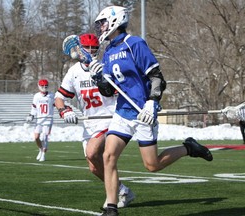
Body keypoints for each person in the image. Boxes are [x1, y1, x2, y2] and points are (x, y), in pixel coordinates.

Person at [89, 6, 213, 216]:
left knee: (152, 165)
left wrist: (151, 102)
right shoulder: (108, 52)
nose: (100, 27)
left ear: (115, 20)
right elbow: (109, 91)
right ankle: (111, 207)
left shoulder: (134, 44)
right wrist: (99, 78)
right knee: (108, 156)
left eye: (102, 22)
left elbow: (156, 77)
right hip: (122, 113)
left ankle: (188, 148)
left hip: (142, 110)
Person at [55, 33, 135, 208]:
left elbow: (121, 90)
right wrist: (64, 111)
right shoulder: (74, 72)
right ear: (80, 49)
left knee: (93, 152)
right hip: (89, 123)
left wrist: (103, 76)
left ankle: (111, 199)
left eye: (94, 48)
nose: (91, 51)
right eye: (87, 47)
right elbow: (59, 97)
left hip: (109, 118)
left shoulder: (105, 65)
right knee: (93, 167)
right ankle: (122, 191)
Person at [26, 79, 54, 162]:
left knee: (45, 137)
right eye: (42, 86)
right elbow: (34, 107)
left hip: (48, 119)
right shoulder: (36, 96)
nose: (44, 88)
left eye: (46, 86)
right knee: (36, 137)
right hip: (39, 119)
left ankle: (44, 154)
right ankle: (41, 149)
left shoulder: (52, 95)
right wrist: (31, 115)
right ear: (39, 86)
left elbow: (57, 104)